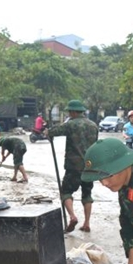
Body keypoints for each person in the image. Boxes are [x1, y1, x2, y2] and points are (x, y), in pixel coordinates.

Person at [48, 99, 99, 232]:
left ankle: (72, 216)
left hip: (73, 166)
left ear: (73, 112)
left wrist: (48, 132)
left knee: (66, 192)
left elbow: (53, 131)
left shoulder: (71, 124)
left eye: (70, 112)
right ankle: (87, 223)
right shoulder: (94, 125)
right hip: (90, 166)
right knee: (87, 194)